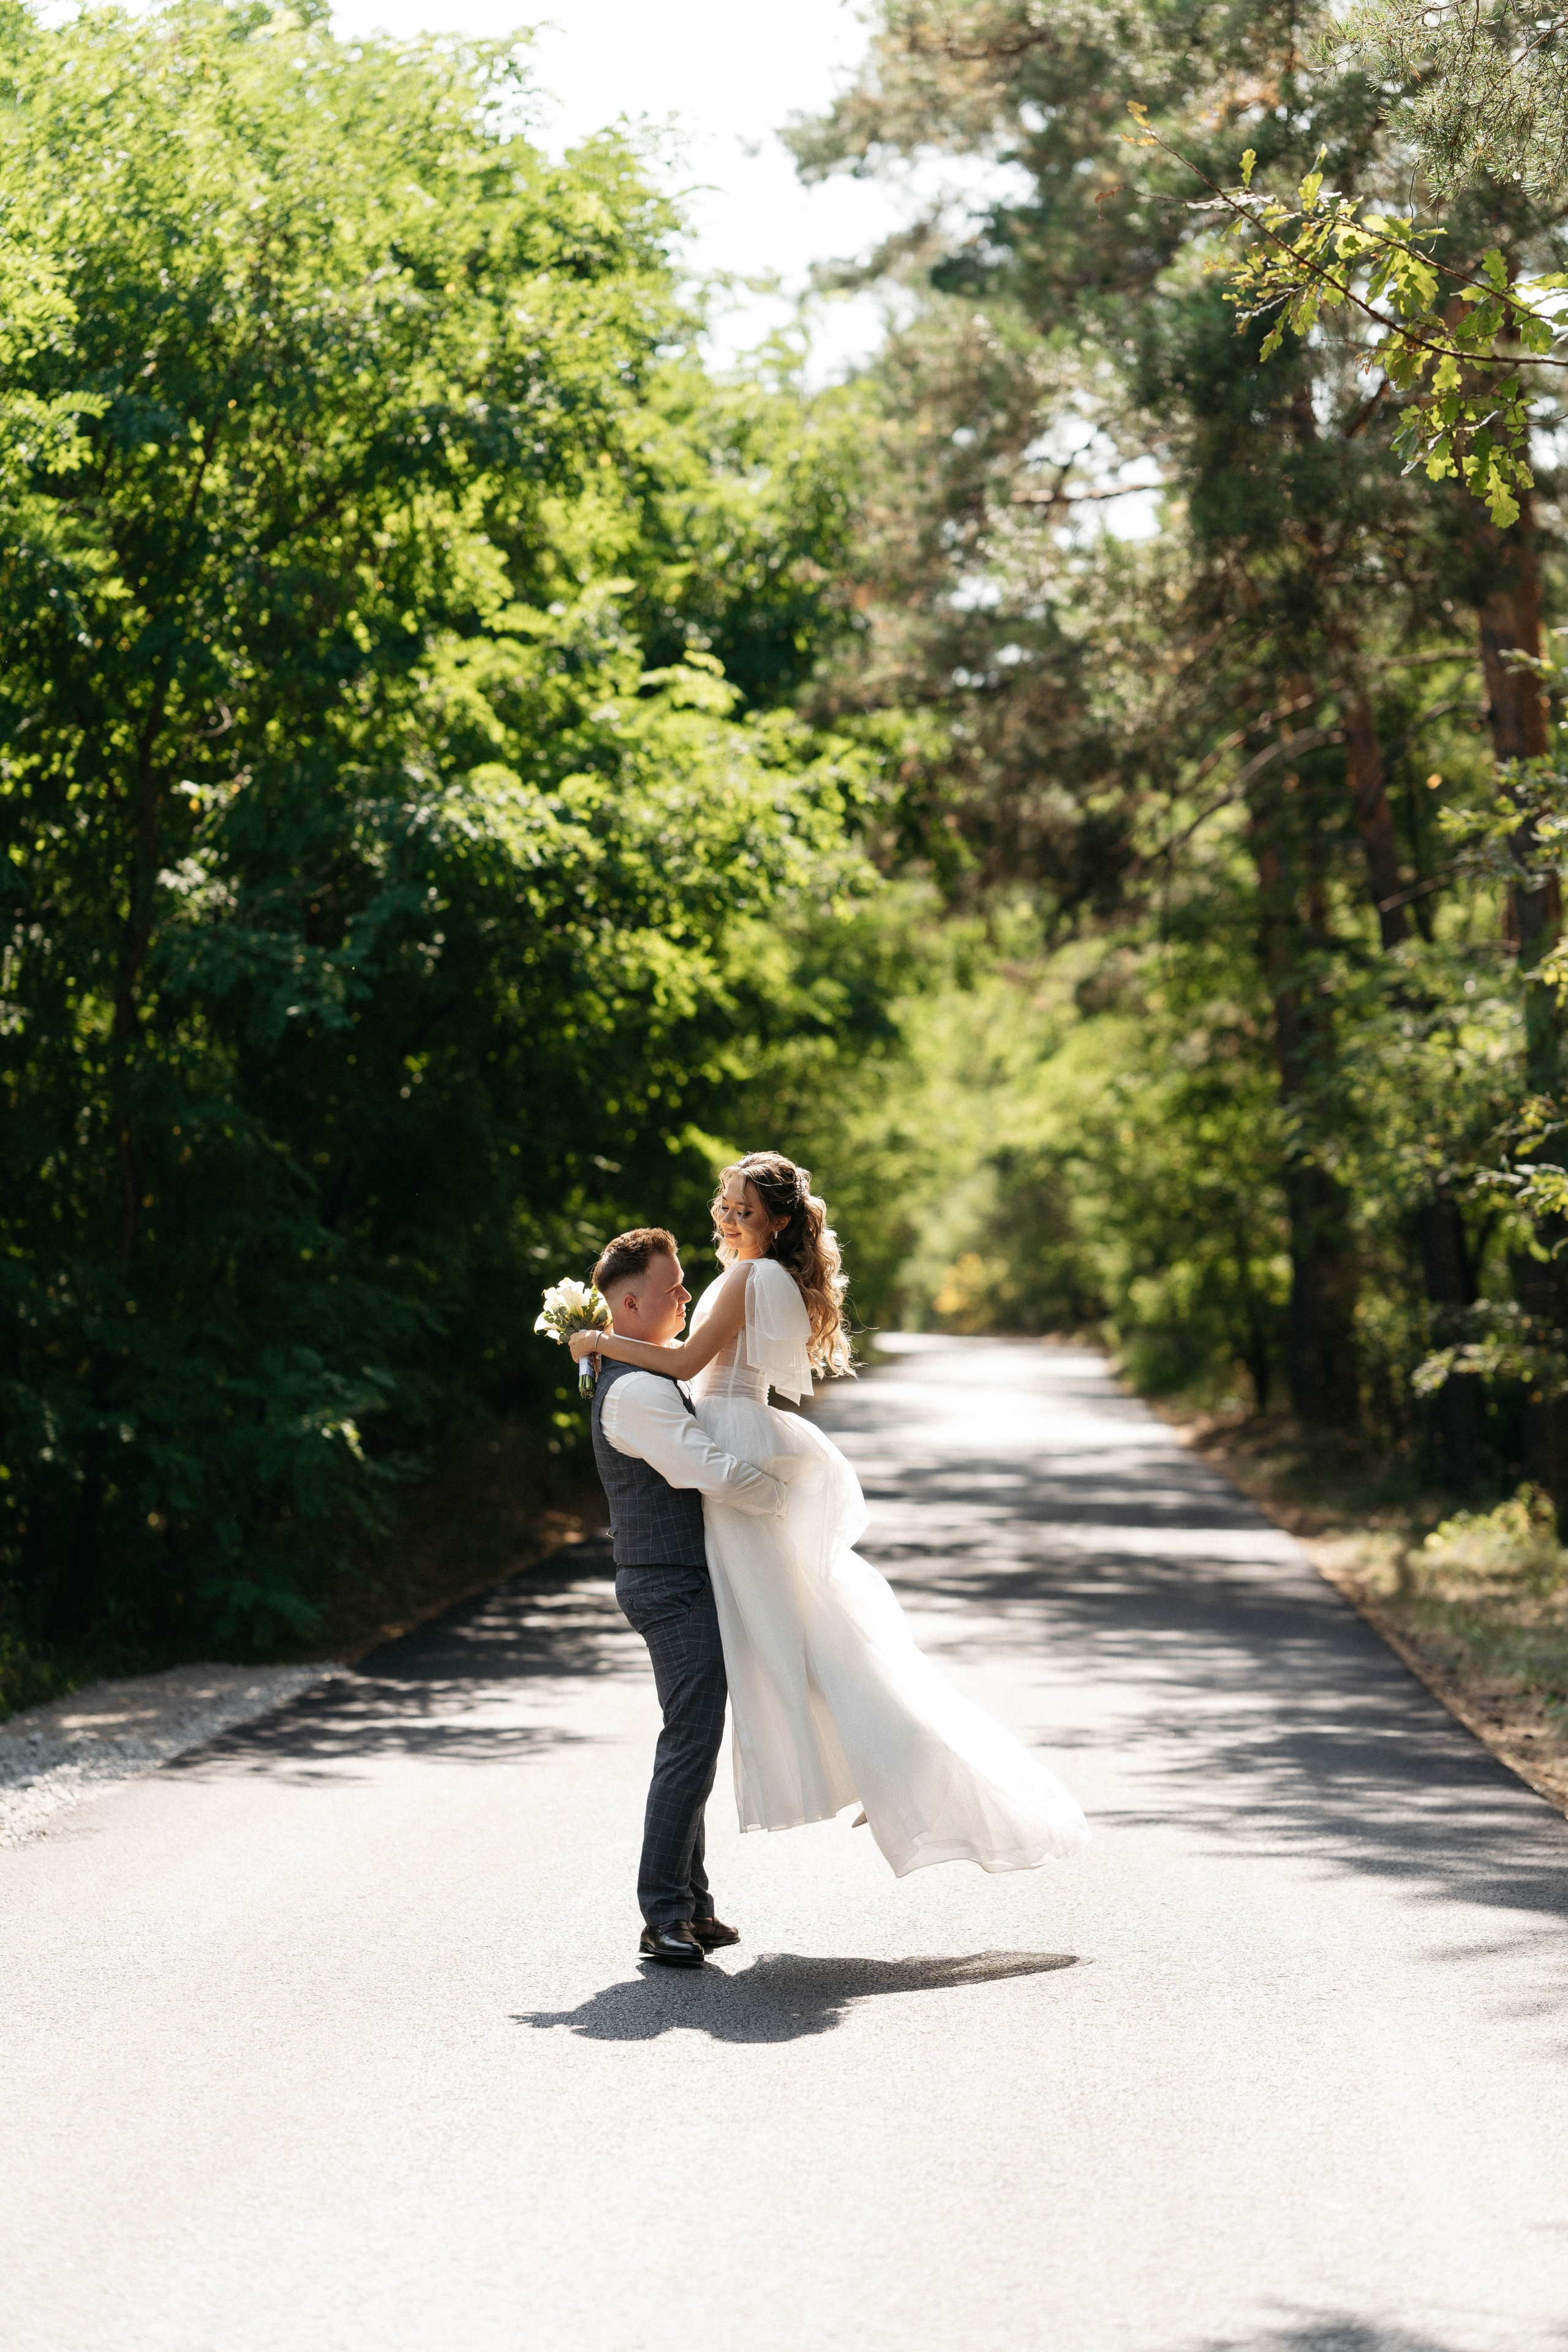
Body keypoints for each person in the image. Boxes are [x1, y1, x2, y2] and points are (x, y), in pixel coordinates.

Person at [573, 1155, 1089, 1882]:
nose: (727, 1219)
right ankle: (869, 1754)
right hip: (738, 1426)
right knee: (794, 1623)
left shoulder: (752, 1278)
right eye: (724, 1205)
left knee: (786, 1628)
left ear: (778, 1221)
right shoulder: (761, 1276)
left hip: (731, 1432)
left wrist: (595, 1341)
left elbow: (687, 1364)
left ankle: (880, 1756)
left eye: (744, 1211)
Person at [585, 1226, 797, 1969]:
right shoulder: (637, 1390)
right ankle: (663, 1916)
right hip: (667, 1584)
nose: (684, 1295)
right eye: (672, 1287)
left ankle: (693, 1906)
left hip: (676, 1576)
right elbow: (705, 1468)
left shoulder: (641, 1375)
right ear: (630, 1301)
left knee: (693, 1737)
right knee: (689, 1743)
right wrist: (783, 1498)